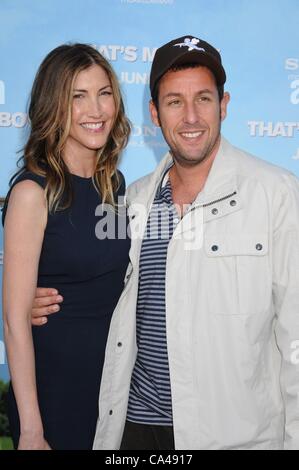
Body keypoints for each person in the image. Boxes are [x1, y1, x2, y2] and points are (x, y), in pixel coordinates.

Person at [32, 35, 299, 450]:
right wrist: (45, 300)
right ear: (155, 114)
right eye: (175, 102)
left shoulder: (276, 195)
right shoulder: (132, 200)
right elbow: (103, 287)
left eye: (204, 99)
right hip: (135, 431)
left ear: (224, 104)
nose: (191, 117)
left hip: (234, 438)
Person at [2, 43, 131, 450]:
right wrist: (31, 430)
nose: (96, 110)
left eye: (104, 93)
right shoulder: (32, 192)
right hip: (56, 390)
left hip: (113, 386)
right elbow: (15, 321)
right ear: (53, 105)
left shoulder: (115, 185)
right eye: (78, 96)